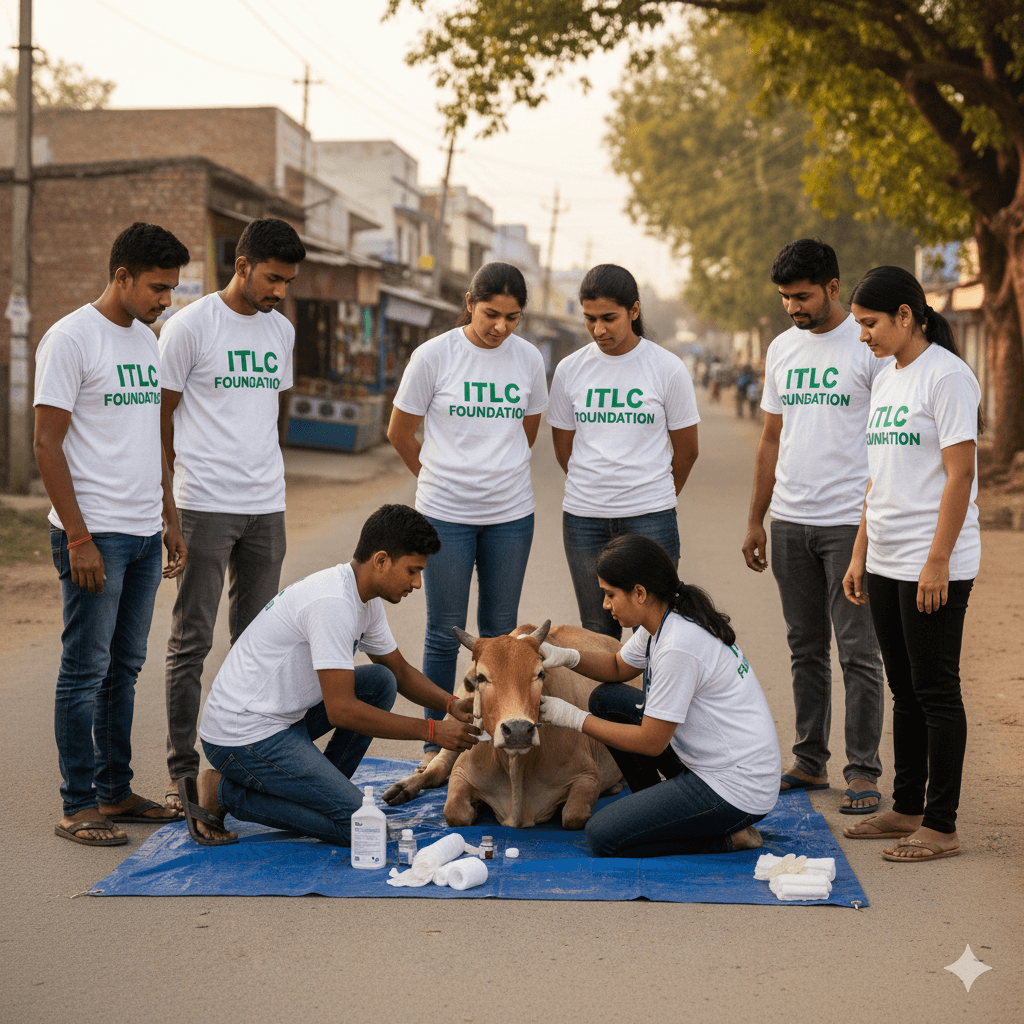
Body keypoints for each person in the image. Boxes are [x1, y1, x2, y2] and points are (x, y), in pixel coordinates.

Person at [186, 505, 480, 845]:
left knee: (380, 681)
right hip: (241, 737)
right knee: (366, 830)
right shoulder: (334, 603)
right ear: (381, 560)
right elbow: (342, 710)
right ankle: (222, 793)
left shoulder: (364, 598)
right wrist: (432, 730)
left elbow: (399, 671)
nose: (417, 583)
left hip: (280, 720)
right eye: (412, 571)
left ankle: (323, 792)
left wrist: (452, 703)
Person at [33, 222, 191, 846]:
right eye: (157, 287)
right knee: (84, 670)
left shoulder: (147, 342)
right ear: (121, 275)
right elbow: (46, 444)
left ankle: (114, 789)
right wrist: (77, 537)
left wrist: (169, 517)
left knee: (124, 667)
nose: (165, 301)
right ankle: (77, 806)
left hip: (141, 530)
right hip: (93, 534)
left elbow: (151, 437)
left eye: (173, 289)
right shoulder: (70, 338)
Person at [160, 217, 306, 812]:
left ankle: (238, 767)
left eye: (288, 282)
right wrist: (167, 510)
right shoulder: (188, 327)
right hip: (202, 505)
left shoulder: (282, 331)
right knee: (191, 641)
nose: (280, 291)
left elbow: (271, 416)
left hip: (265, 507)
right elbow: (158, 423)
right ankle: (182, 770)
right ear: (241, 265)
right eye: (273, 278)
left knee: (257, 645)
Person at [741, 238, 887, 814]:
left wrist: (871, 526)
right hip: (791, 522)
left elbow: (884, 445)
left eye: (802, 297)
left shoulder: (868, 346)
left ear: (833, 286)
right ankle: (809, 760)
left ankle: (863, 771)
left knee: (858, 652)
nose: (793, 308)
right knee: (805, 647)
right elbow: (771, 438)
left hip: (850, 523)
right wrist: (756, 518)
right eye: (784, 299)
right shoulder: (781, 349)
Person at [841, 266, 981, 862]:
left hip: (933, 561)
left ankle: (942, 826)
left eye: (870, 324)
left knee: (936, 690)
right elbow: (881, 477)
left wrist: (938, 561)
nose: (863, 336)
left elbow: (961, 473)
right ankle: (906, 808)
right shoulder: (889, 379)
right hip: (887, 557)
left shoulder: (947, 377)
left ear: (905, 315)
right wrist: (859, 550)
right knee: (904, 689)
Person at [387, 262, 547, 766]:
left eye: (513, 317)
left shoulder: (527, 360)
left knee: (500, 638)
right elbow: (400, 431)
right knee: (444, 630)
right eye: (491, 314)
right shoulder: (434, 356)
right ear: (469, 302)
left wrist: (498, 473)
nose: (500, 327)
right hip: (445, 517)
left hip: (510, 515)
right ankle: (437, 747)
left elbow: (528, 428)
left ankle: (495, 746)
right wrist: (438, 477)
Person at [538, 534, 779, 857]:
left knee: (603, 835)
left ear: (639, 592)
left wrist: (572, 718)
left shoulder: (678, 645)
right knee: (606, 700)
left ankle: (728, 838)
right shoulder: (665, 617)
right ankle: (660, 811)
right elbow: (617, 665)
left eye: (610, 595)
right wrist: (564, 655)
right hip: (716, 762)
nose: (605, 604)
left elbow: (651, 742)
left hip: (736, 790)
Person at [547, 264, 699, 639]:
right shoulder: (570, 370)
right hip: (584, 521)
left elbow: (687, 451)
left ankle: (655, 701)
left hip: (650, 518)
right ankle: (606, 703)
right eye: (590, 319)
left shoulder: (667, 369)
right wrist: (597, 485)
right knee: (598, 633)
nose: (599, 329)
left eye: (609, 318)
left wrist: (654, 494)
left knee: (656, 631)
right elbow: (564, 449)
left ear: (634, 311)